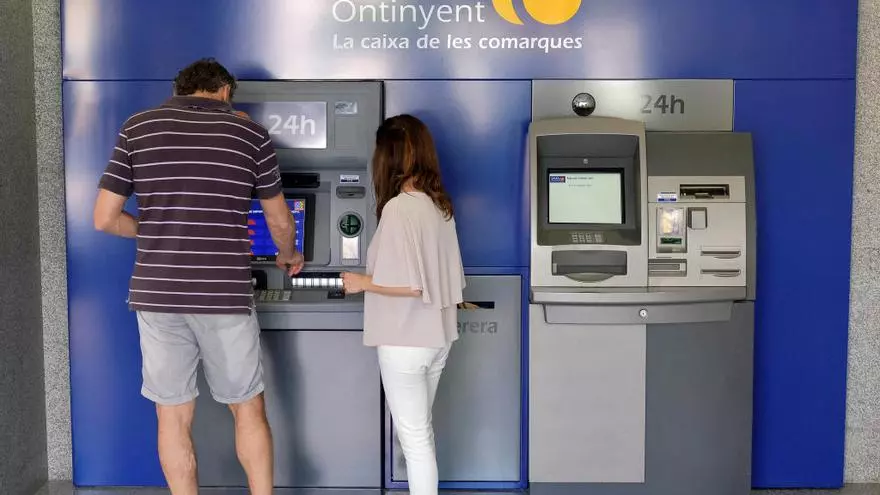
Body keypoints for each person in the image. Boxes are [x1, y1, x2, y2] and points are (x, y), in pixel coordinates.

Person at [92, 58, 303, 495]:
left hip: (158, 294)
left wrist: (154, 230)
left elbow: (105, 218)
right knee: (247, 409)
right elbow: (279, 219)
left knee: (172, 415)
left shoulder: (137, 127)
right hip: (223, 294)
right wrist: (288, 254)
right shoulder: (250, 134)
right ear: (225, 91)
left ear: (180, 89)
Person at [341, 114, 465, 495]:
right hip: (437, 338)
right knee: (421, 435)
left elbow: (410, 284)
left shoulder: (398, 208)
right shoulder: (440, 206)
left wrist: (361, 282)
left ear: (388, 157)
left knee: (415, 441)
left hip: (404, 340)